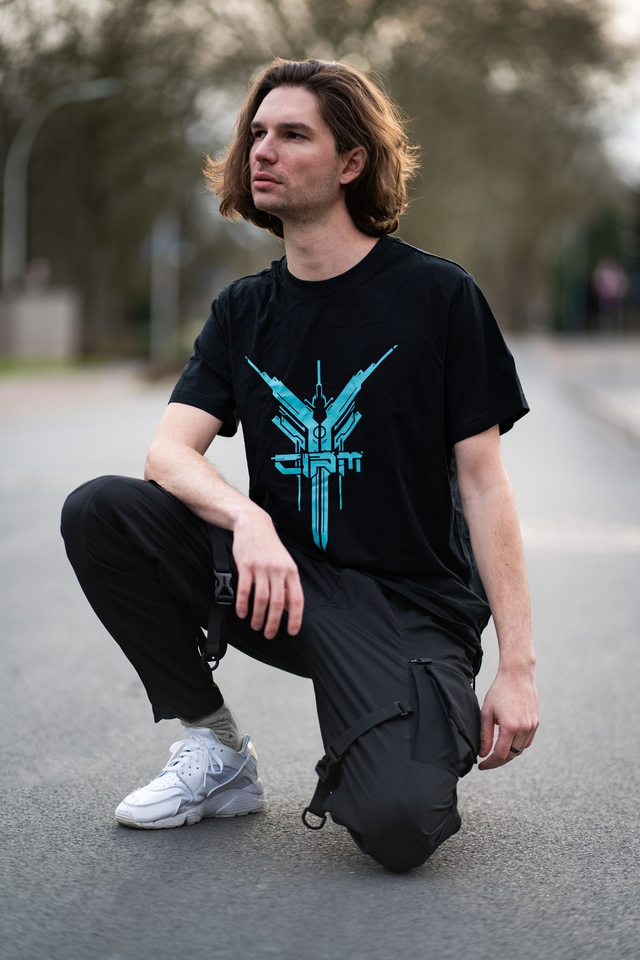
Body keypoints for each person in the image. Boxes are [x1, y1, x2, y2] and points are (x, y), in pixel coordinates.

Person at [61, 57, 539, 873]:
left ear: (351, 162)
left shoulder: (438, 297)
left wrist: (517, 668)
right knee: (102, 510)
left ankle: (395, 725)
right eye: (257, 133)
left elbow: (485, 482)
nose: (262, 150)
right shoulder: (244, 309)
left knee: (397, 828)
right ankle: (215, 749)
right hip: (281, 584)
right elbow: (167, 453)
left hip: (409, 607)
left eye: (292, 135)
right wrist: (247, 519)